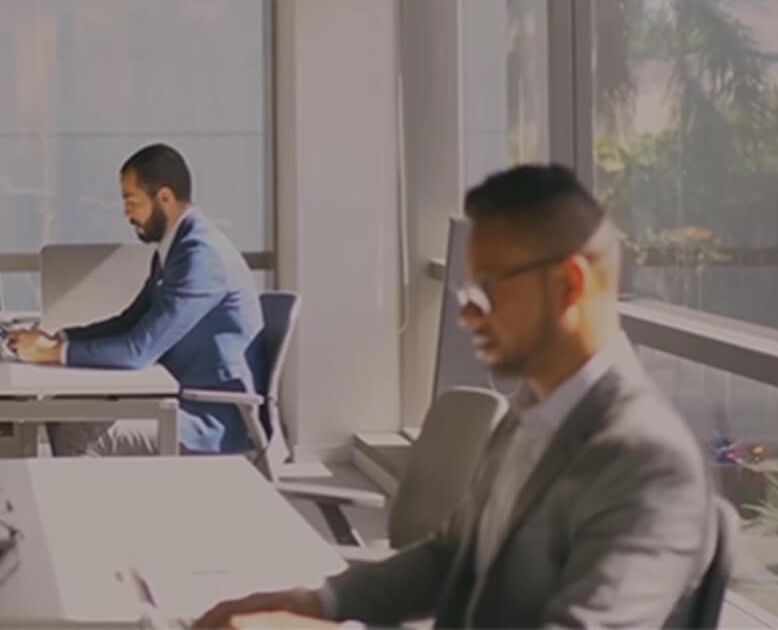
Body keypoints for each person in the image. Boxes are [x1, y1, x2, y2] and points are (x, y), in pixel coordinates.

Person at [197, 165, 714, 629]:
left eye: (487, 290)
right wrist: (316, 603)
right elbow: (454, 556)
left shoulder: (647, 462)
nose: (467, 314)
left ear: (568, 284)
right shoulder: (530, 412)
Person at [8, 144, 265, 457]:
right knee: (61, 410)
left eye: (132, 202)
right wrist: (58, 338)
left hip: (211, 420)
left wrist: (53, 354)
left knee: (78, 433)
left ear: (165, 198)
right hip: (179, 397)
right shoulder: (175, 247)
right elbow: (130, 320)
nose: (126, 213)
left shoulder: (201, 257)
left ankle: (88, 508)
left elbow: (138, 350)